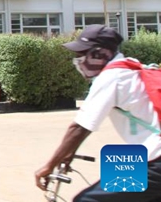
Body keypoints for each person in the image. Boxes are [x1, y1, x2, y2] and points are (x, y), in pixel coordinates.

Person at [35, 24, 161, 200]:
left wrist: (49, 165)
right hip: (149, 155)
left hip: (155, 160)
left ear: (100, 53)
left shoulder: (111, 77)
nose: (78, 60)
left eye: (82, 54)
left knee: (86, 199)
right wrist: (68, 153)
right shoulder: (131, 67)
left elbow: (80, 127)